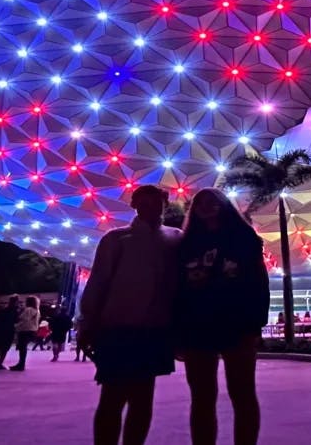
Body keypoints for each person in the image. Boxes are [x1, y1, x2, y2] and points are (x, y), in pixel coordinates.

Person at [79, 184, 181, 445]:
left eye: (156, 203)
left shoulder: (176, 238)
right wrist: (88, 321)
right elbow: (99, 282)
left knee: (143, 396)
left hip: (155, 328)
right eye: (143, 204)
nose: (150, 209)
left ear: (164, 205)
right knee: (112, 396)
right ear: (134, 205)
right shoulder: (116, 238)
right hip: (117, 327)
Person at [175, 187, 270, 445]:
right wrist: (178, 332)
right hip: (198, 326)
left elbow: (259, 283)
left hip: (237, 323)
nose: (206, 205)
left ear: (224, 204)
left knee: (243, 393)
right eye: (200, 202)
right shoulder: (186, 244)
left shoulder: (243, 238)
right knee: (202, 397)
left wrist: (256, 324)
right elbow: (178, 288)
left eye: (212, 200)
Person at [10, 296, 42, 370]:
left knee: (22, 348)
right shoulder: (37, 310)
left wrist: (16, 326)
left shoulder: (28, 310)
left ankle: (21, 364)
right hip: (33, 330)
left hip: (25, 330)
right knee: (23, 347)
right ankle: (21, 364)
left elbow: (24, 319)